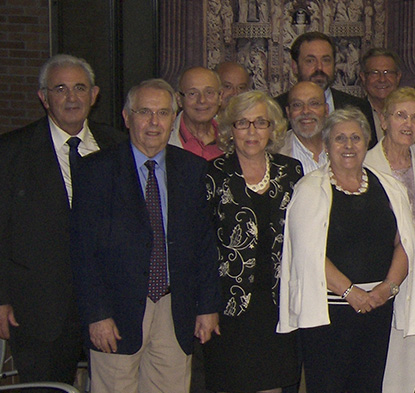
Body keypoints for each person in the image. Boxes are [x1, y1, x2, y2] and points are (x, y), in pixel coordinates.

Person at [71, 78, 218, 393]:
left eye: (163, 113)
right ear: (126, 117)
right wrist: (97, 315)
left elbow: (205, 244)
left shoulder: (193, 170)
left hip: (173, 307)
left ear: (173, 119)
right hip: (116, 311)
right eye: (145, 112)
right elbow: (83, 251)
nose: (154, 122)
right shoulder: (95, 171)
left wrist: (207, 306)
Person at [277, 108, 415, 392]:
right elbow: (308, 254)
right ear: (327, 144)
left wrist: (387, 289)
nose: (348, 146)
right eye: (339, 139)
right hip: (329, 313)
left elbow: (405, 244)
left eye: (355, 138)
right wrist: (350, 293)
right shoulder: (310, 189)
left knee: (369, 386)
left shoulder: (389, 186)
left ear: (367, 142)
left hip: (377, 308)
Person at [0, 54, 124, 388]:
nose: (71, 98)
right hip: (40, 307)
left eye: (80, 88)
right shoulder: (10, 152)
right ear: (43, 97)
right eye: (60, 88)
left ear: (94, 94)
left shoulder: (118, 146)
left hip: (108, 303)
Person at [202, 90, 304, 392]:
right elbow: (202, 247)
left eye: (260, 122)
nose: (251, 131)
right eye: (242, 123)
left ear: (273, 128)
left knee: (275, 383)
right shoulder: (213, 174)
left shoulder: (290, 172)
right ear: (229, 130)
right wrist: (204, 306)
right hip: (229, 307)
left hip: (278, 304)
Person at [362, 87, 415, 393]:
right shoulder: (366, 165)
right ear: (384, 121)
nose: (408, 124)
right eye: (400, 116)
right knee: (391, 371)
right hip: (388, 283)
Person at [273, 32, 376, 146]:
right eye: (310, 61)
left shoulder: (359, 107)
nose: (319, 68)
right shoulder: (275, 109)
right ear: (295, 66)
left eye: (326, 60)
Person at [169, 67, 225, 160]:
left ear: (220, 97)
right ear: (179, 99)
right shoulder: (164, 140)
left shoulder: (232, 137)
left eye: (209, 92)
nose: (202, 100)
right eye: (192, 93)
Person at [278, 81, 329, 174]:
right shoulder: (275, 152)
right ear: (288, 112)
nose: (305, 111)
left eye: (314, 103)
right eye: (297, 105)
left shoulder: (343, 147)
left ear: (326, 110)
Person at [358, 48, 403, 143]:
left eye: (388, 72)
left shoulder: (408, 114)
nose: (382, 79)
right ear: (363, 77)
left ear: (398, 77)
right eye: (375, 73)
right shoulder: (354, 115)